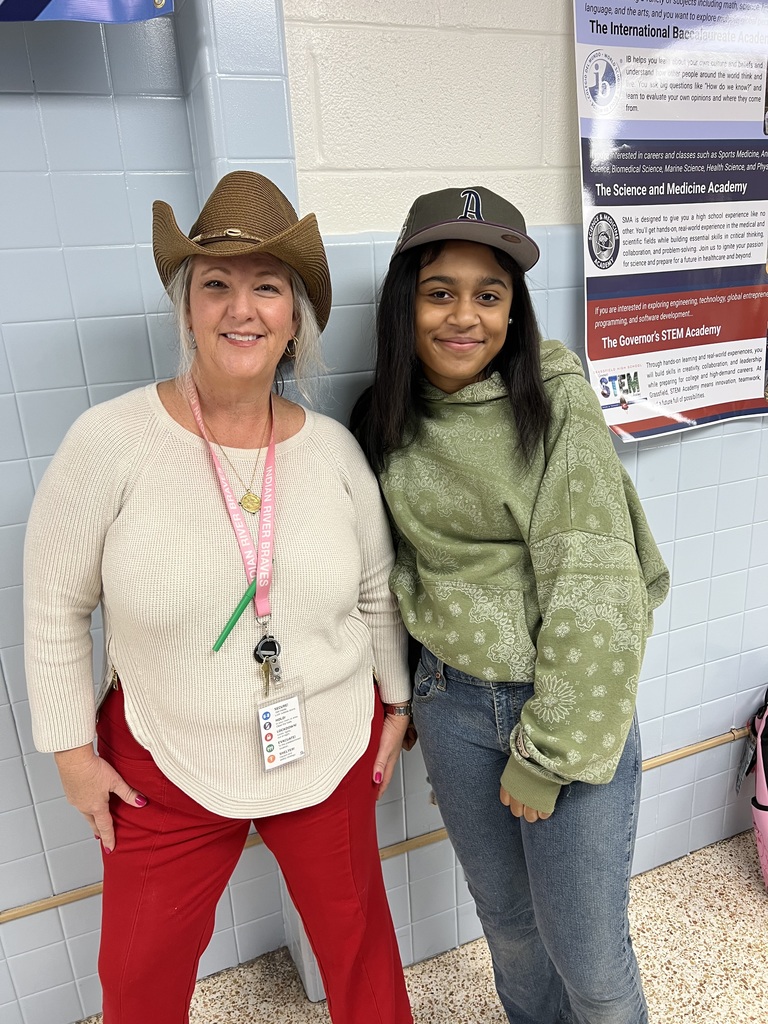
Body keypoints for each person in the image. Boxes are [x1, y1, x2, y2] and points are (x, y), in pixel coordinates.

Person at [24, 172, 413, 1024]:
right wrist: (71, 755)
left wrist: (395, 701)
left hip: (325, 746)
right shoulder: (110, 443)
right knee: (136, 982)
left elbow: (379, 589)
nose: (242, 308)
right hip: (162, 758)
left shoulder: (336, 452)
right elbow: (54, 602)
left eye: (267, 286)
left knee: (361, 955)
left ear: (295, 317)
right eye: (216, 284)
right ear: (187, 305)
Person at [352, 185, 670, 1024]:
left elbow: (598, 586)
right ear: (404, 304)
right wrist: (405, 693)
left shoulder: (556, 402)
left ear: (514, 308)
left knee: (591, 961)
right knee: (513, 936)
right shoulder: (384, 418)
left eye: (489, 294)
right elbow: (390, 573)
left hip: (564, 709)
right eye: (439, 292)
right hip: (451, 708)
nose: (465, 317)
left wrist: (549, 752)